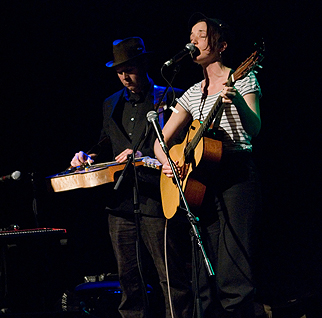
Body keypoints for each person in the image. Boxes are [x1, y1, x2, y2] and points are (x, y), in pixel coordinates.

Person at [70, 37, 193, 318]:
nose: (124, 76)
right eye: (118, 71)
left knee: (171, 277)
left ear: (144, 64)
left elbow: (181, 145)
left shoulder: (171, 96)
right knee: (129, 280)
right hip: (121, 201)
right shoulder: (110, 103)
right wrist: (86, 156)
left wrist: (143, 156)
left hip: (158, 198)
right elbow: (105, 144)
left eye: (130, 69)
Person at [154, 14, 262, 318]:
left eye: (200, 35)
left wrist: (237, 101)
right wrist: (169, 164)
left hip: (236, 176)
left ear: (221, 45)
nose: (193, 41)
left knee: (234, 267)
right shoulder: (190, 93)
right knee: (203, 270)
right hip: (202, 181)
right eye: (192, 35)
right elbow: (160, 142)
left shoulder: (243, 78)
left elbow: (254, 128)